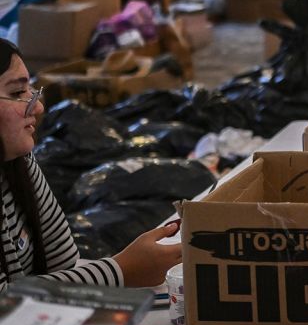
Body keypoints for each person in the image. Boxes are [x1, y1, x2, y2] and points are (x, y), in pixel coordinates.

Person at [0, 40, 180, 291]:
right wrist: (122, 270)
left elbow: (62, 262)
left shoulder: (19, 162)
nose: (38, 106)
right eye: (17, 93)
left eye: (30, 90)